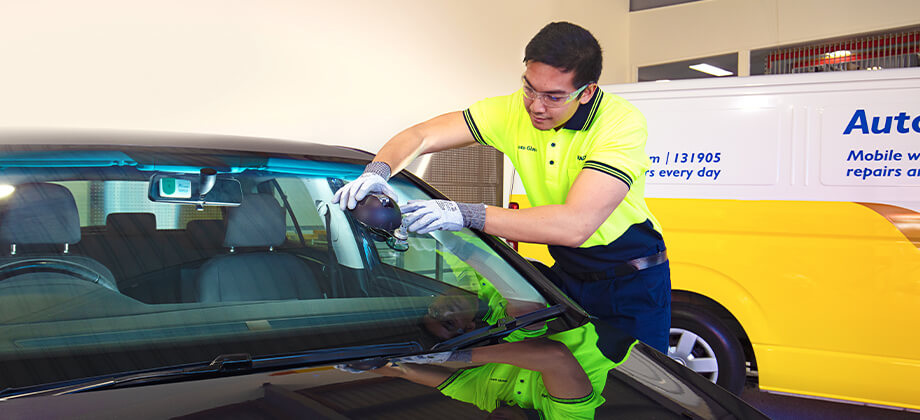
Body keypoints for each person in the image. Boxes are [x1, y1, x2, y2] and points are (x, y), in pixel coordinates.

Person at [332, 22, 670, 353]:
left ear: (588, 92)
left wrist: (461, 214)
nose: (536, 106)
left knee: (636, 392)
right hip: (568, 272)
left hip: (631, 280)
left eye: (554, 97)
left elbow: (575, 225)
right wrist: (377, 172)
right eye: (529, 88)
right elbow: (420, 136)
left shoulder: (620, 124)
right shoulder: (511, 111)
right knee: (568, 376)